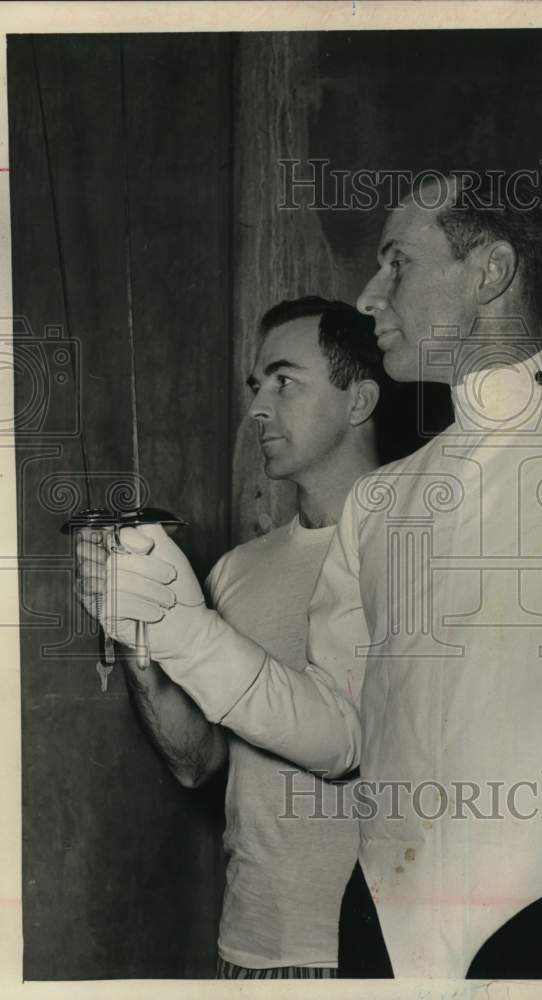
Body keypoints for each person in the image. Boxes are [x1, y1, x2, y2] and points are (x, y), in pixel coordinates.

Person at [80, 174, 542, 979]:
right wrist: (178, 626)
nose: (368, 293)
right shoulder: (381, 503)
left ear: (489, 272)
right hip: (377, 935)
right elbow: (337, 733)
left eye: (396, 263)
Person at [76, 297, 384, 979]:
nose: (258, 408)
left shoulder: (413, 558)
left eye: (284, 381)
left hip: (373, 953)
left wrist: (181, 627)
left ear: (359, 399)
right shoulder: (238, 570)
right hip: (248, 947)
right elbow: (196, 762)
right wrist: (138, 636)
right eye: (255, 387)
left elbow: (348, 739)